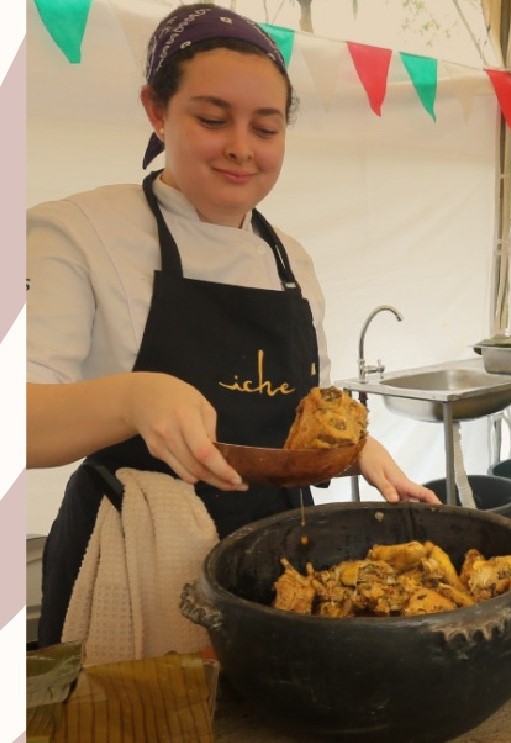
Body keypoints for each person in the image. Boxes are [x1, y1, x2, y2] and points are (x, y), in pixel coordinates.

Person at [26, 3, 439, 651]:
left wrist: (353, 447)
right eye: (212, 119)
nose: (242, 147)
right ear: (156, 111)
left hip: (281, 554)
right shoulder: (77, 232)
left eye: (266, 128)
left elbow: (303, 408)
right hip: (138, 552)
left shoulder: (291, 261)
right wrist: (134, 397)